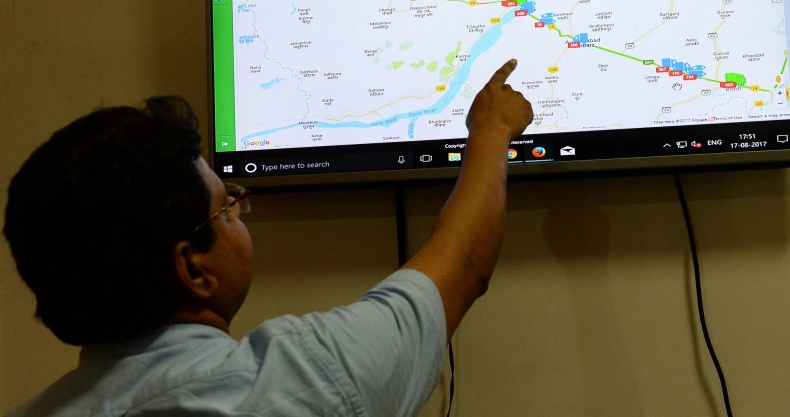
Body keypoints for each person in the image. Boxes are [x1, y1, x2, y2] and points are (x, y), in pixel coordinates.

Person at [3, 58, 533, 417]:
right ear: (192, 268)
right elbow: (462, 262)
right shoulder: (289, 381)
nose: (239, 209)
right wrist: (491, 128)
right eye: (225, 207)